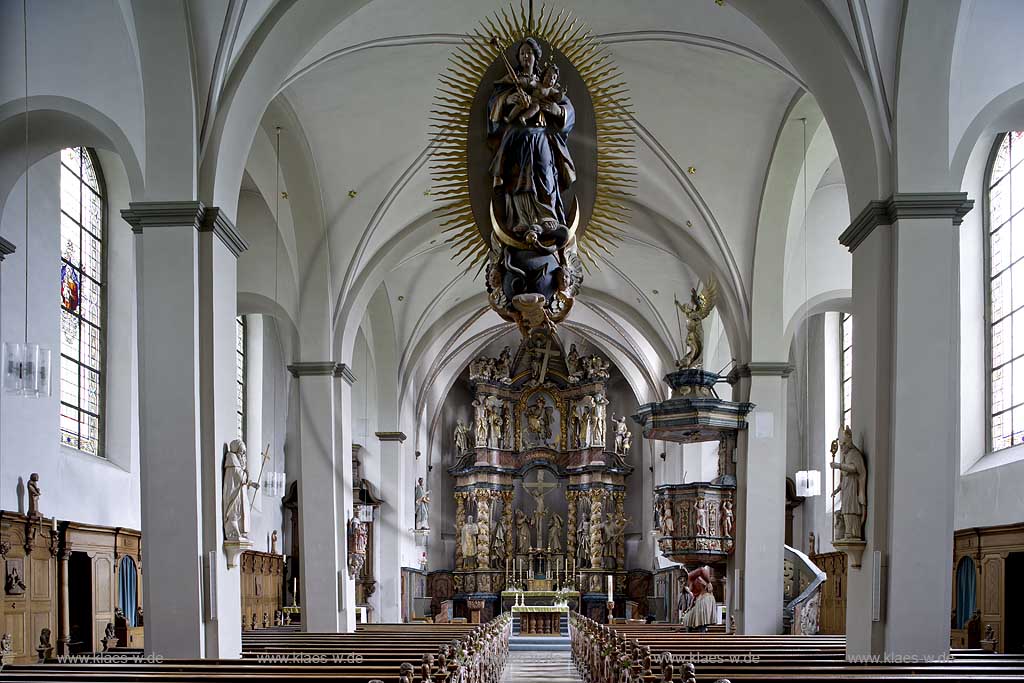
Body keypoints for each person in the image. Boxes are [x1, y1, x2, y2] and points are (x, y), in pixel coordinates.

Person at [680, 566, 716, 632]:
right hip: (700, 599)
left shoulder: (690, 576)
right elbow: (694, 596)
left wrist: (709, 582)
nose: (681, 581)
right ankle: (690, 638)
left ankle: (701, 638)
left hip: (705, 598)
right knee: (688, 618)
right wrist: (690, 607)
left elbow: (701, 569)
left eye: (681, 578)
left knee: (699, 621)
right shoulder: (686, 584)